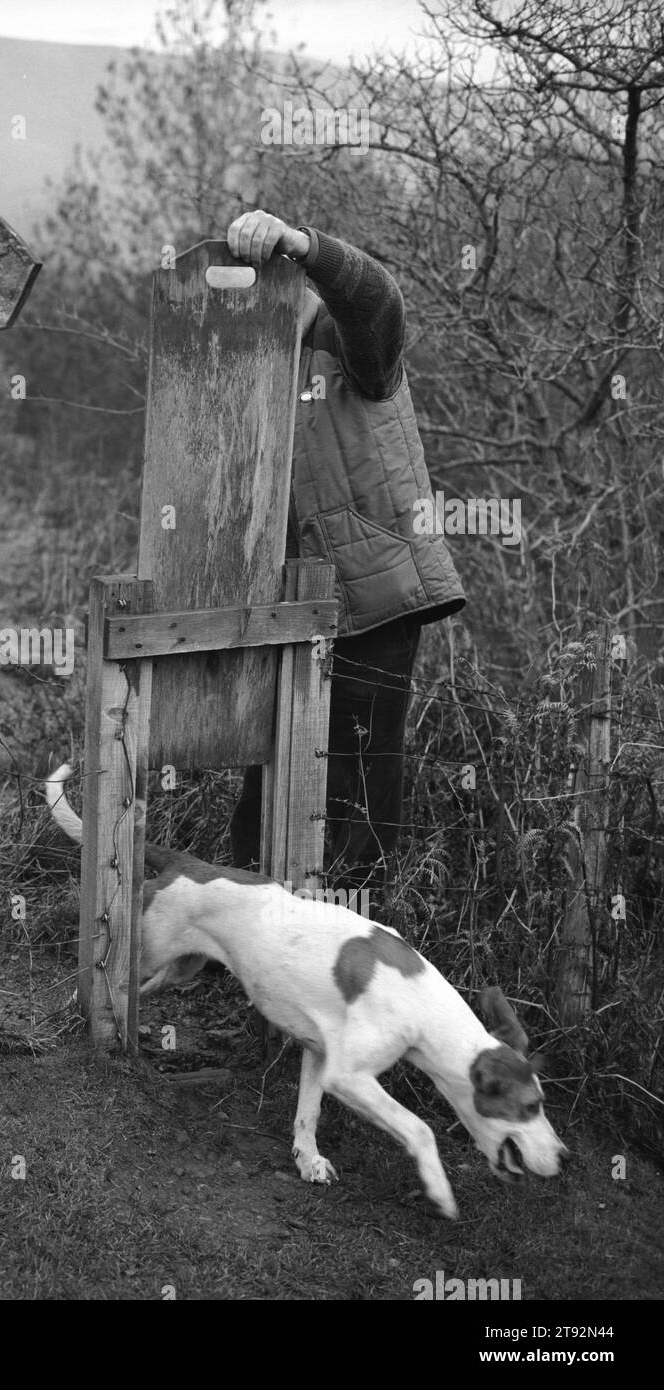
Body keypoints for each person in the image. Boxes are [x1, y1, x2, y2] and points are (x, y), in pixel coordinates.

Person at [225, 210, 465, 905]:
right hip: (277, 607)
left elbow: (375, 297)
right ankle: (259, 953)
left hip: (371, 601)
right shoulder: (242, 364)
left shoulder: (343, 339)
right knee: (265, 781)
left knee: (358, 787)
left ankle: (355, 959)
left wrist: (302, 244)